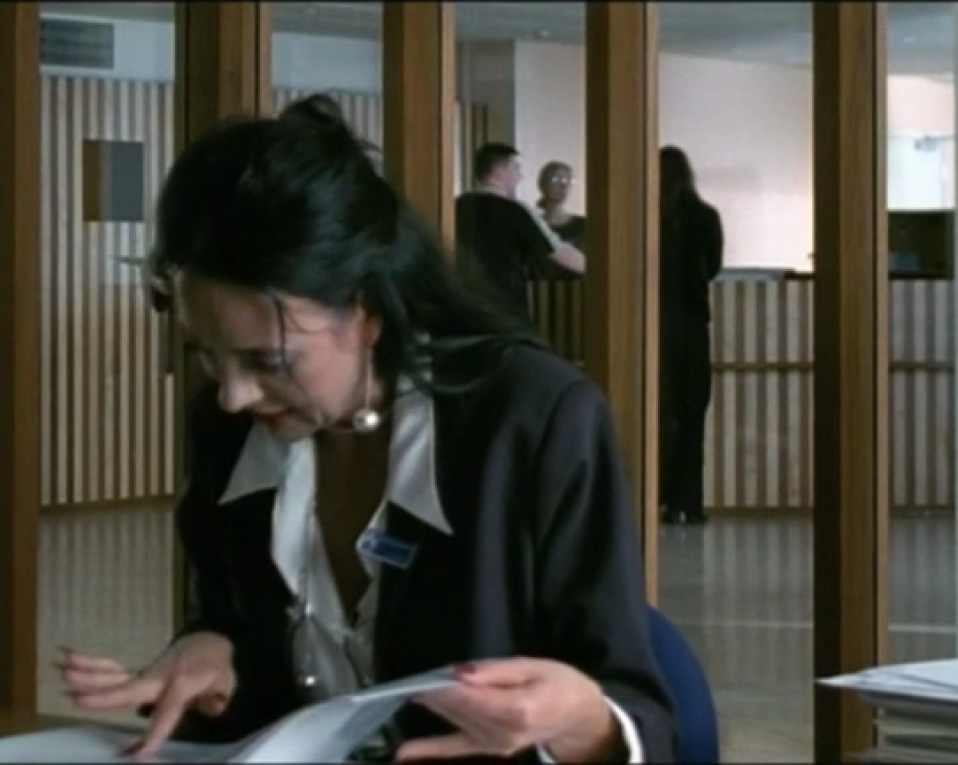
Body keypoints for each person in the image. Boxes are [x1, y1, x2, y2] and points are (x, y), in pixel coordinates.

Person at [58, 95, 676, 763]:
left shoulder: (534, 421)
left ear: (368, 313)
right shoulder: (224, 428)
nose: (233, 396)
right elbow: (245, 660)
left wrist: (583, 720)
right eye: (207, 354)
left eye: (269, 362)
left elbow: (644, 720)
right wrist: (214, 654)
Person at [658, 146, 723, 526]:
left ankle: (655, 495)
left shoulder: (646, 215)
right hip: (692, 322)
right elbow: (713, 266)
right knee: (692, 414)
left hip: (652, 322)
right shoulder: (705, 216)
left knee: (657, 411)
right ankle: (688, 503)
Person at [455, 143, 585, 322]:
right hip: (504, 309)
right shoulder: (517, 212)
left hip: (460, 306)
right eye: (515, 168)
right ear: (499, 171)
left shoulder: (454, 207)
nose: (519, 176)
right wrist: (599, 269)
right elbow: (558, 251)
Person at [536, 161, 586, 252]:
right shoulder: (533, 225)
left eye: (568, 180)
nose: (564, 185)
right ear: (543, 185)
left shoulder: (583, 225)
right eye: (556, 179)